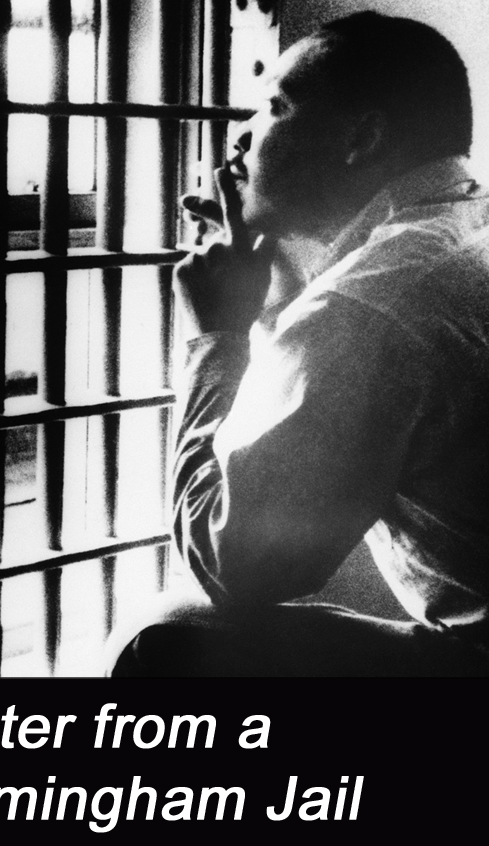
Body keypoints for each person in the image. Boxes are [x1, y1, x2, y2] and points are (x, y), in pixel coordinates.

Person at [111, 12, 489, 676]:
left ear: (363, 137)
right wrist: (284, 299)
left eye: (274, 107)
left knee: (163, 642)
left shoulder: (367, 305)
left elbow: (238, 566)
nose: (241, 138)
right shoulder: (462, 226)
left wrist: (217, 338)